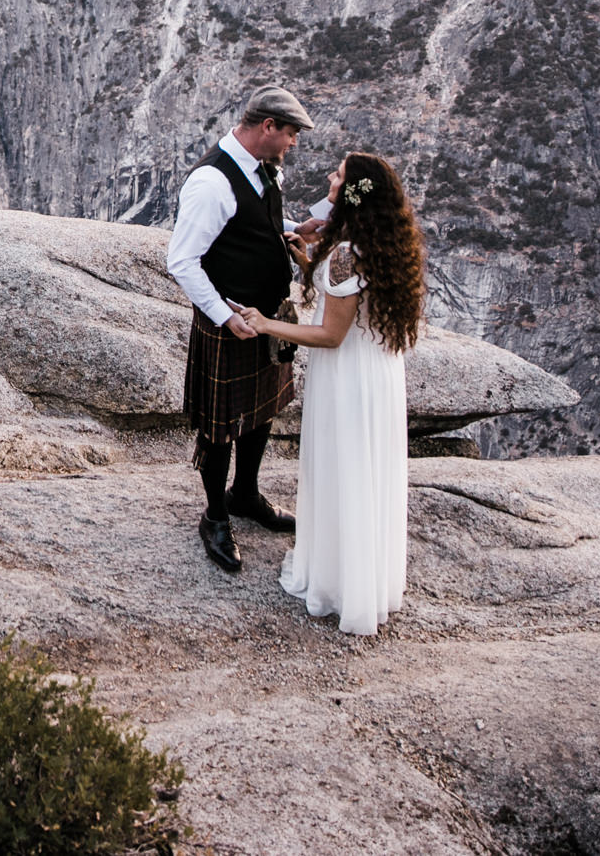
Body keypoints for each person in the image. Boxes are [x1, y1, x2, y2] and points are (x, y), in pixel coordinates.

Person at [237, 151, 423, 634]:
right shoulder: (378, 244)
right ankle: (366, 579)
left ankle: (336, 582)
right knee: (364, 471)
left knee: (342, 466)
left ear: (354, 192)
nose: (329, 177)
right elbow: (346, 300)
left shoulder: (346, 254)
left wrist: (267, 324)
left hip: (346, 375)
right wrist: (306, 260)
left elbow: (331, 335)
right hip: (377, 369)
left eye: (338, 175)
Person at [165, 86, 326, 574]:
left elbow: (254, 222)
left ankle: (245, 494)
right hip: (230, 323)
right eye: (292, 133)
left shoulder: (261, 170)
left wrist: (298, 226)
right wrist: (223, 316)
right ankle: (215, 515)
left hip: (267, 316)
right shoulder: (212, 182)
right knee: (219, 428)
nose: (294, 142)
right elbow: (182, 261)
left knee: (260, 413)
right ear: (268, 128)